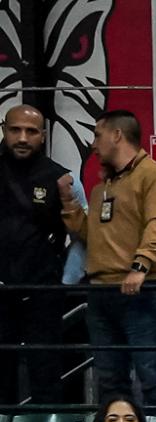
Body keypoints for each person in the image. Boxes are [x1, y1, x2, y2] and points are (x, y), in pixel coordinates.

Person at [62, 109, 156, 408]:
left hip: (139, 288)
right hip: (101, 289)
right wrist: (69, 204)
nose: (93, 144)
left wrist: (140, 266)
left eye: (98, 135)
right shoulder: (102, 187)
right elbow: (92, 233)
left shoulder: (154, 175)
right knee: (109, 377)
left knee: (150, 372)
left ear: (117, 135)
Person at [0, 104, 74, 402]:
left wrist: (65, 280)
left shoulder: (61, 178)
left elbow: (81, 235)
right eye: (15, 129)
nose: (22, 137)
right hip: (0, 292)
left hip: (43, 291)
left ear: (42, 136)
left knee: (45, 371)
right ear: (4, 130)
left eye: (31, 131)